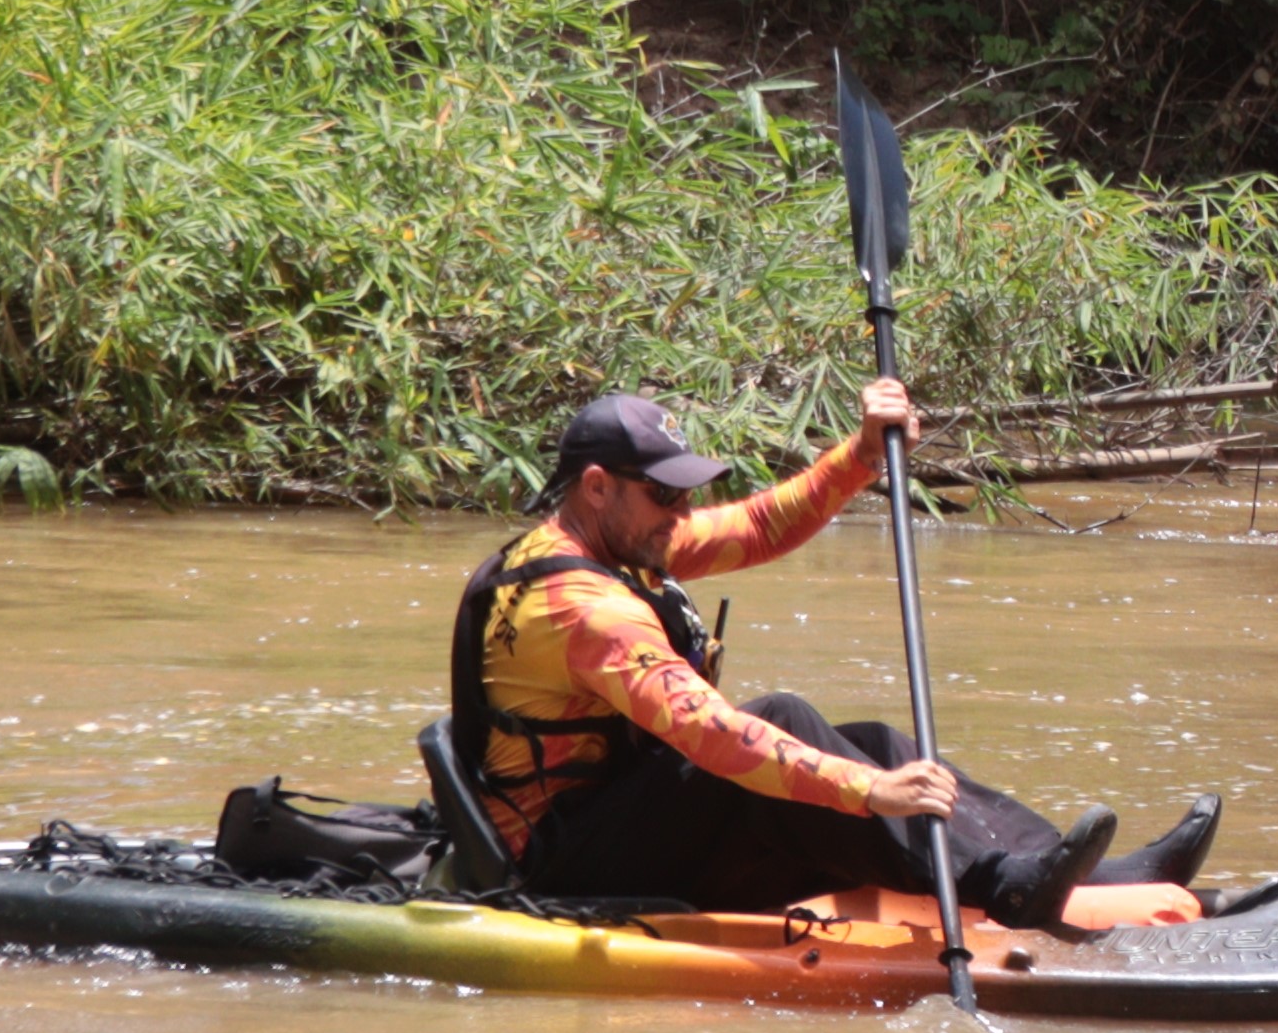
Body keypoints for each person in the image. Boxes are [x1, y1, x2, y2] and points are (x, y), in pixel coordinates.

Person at [448, 386, 1213, 918]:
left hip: (619, 818)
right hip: (561, 864)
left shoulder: (617, 540)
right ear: (595, 487)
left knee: (877, 742)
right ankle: (1002, 886)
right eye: (666, 496)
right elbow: (708, 734)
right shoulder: (582, 609)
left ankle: (1062, 869)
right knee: (800, 729)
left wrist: (860, 455)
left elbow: (760, 525)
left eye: (684, 495)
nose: (681, 514)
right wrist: (866, 793)